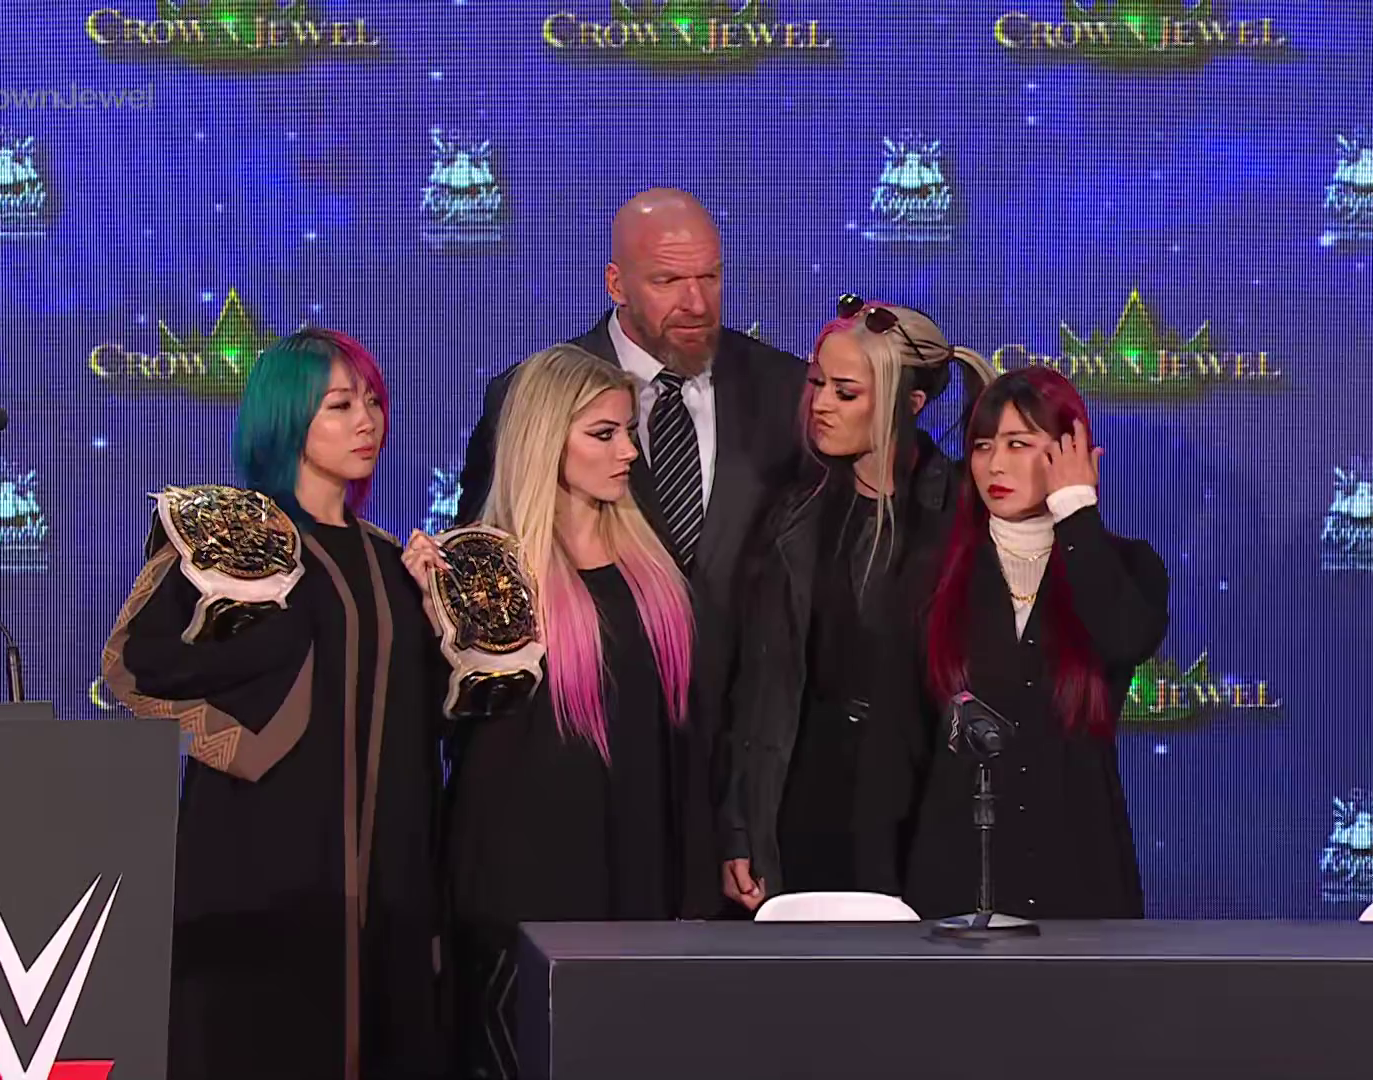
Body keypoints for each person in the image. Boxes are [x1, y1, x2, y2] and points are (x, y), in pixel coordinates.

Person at [100, 329, 445, 1080]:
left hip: (390, 866)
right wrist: (239, 741)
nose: (367, 422)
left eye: (374, 402)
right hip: (262, 854)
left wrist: (442, 613)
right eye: (340, 405)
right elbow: (134, 664)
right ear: (287, 418)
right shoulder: (229, 545)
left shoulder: (392, 561)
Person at [409, 344, 719, 1080]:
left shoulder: (654, 574)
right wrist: (434, 618)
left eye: (628, 432)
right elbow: (447, 729)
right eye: (603, 434)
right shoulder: (485, 575)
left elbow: (681, 741)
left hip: (636, 884)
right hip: (520, 891)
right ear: (547, 440)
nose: (628, 452)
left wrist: (693, 881)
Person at [454, 189, 806, 835]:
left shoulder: (788, 391)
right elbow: (489, 575)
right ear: (616, 283)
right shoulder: (528, 395)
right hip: (582, 772)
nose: (696, 303)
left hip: (748, 773)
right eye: (668, 281)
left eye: (710, 277)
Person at [721, 297, 992, 909]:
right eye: (818, 383)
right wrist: (741, 825)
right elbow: (758, 687)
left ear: (909, 403)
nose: (820, 404)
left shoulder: (965, 518)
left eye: (845, 393)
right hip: (808, 799)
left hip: (921, 803)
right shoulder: (792, 514)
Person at [904, 367, 1170, 921]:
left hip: (1080, 878)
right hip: (955, 885)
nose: (994, 465)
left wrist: (1075, 511)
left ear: (1068, 451)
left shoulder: (1125, 566)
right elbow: (901, 739)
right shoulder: (931, 571)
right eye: (983, 446)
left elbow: (1126, 638)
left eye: (1018, 444)